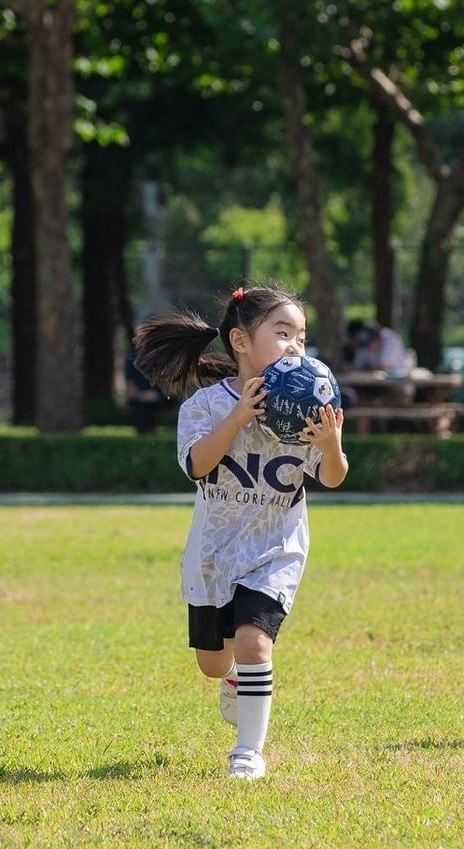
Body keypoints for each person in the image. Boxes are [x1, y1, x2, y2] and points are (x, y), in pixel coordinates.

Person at [132, 284, 348, 780]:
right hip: (214, 554)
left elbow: (332, 476)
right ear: (240, 341)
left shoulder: (312, 405)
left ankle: (248, 752)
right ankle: (233, 682)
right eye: (283, 332)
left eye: (301, 336)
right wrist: (238, 416)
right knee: (214, 663)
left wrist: (332, 445)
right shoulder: (205, 406)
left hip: (275, 549)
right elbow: (197, 465)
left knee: (254, 643)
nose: (296, 346)